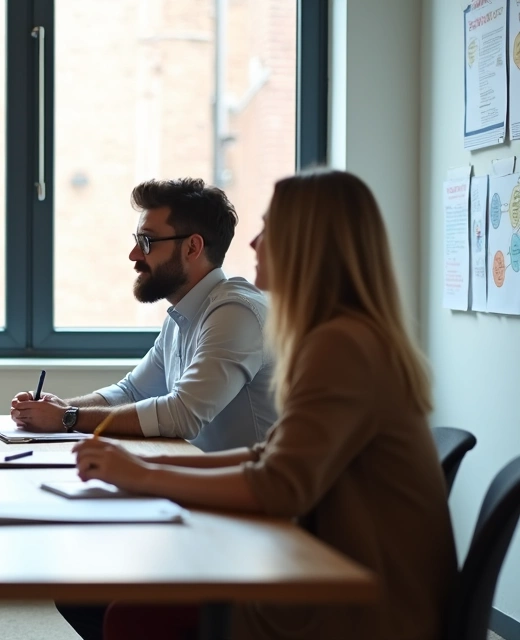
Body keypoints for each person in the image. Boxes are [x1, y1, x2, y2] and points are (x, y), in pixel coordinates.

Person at [73, 169, 456, 640]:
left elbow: (278, 485)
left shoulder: (343, 345)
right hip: (335, 570)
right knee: (103, 595)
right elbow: (268, 455)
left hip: (363, 604)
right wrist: (139, 469)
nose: (254, 243)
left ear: (308, 245)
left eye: (269, 229)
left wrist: (145, 476)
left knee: (130, 615)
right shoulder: (342, 336)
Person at [14, 178, 277, 640]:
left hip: (247, 523)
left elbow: (182, 413)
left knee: (99, 598)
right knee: (78, 584)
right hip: (201, 502)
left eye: (148, 242)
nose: (135, 255)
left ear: (193, 247)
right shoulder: (184, 314)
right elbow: (132, 389)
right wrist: (60, 408)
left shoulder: (235, 312)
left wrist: (69, 420)